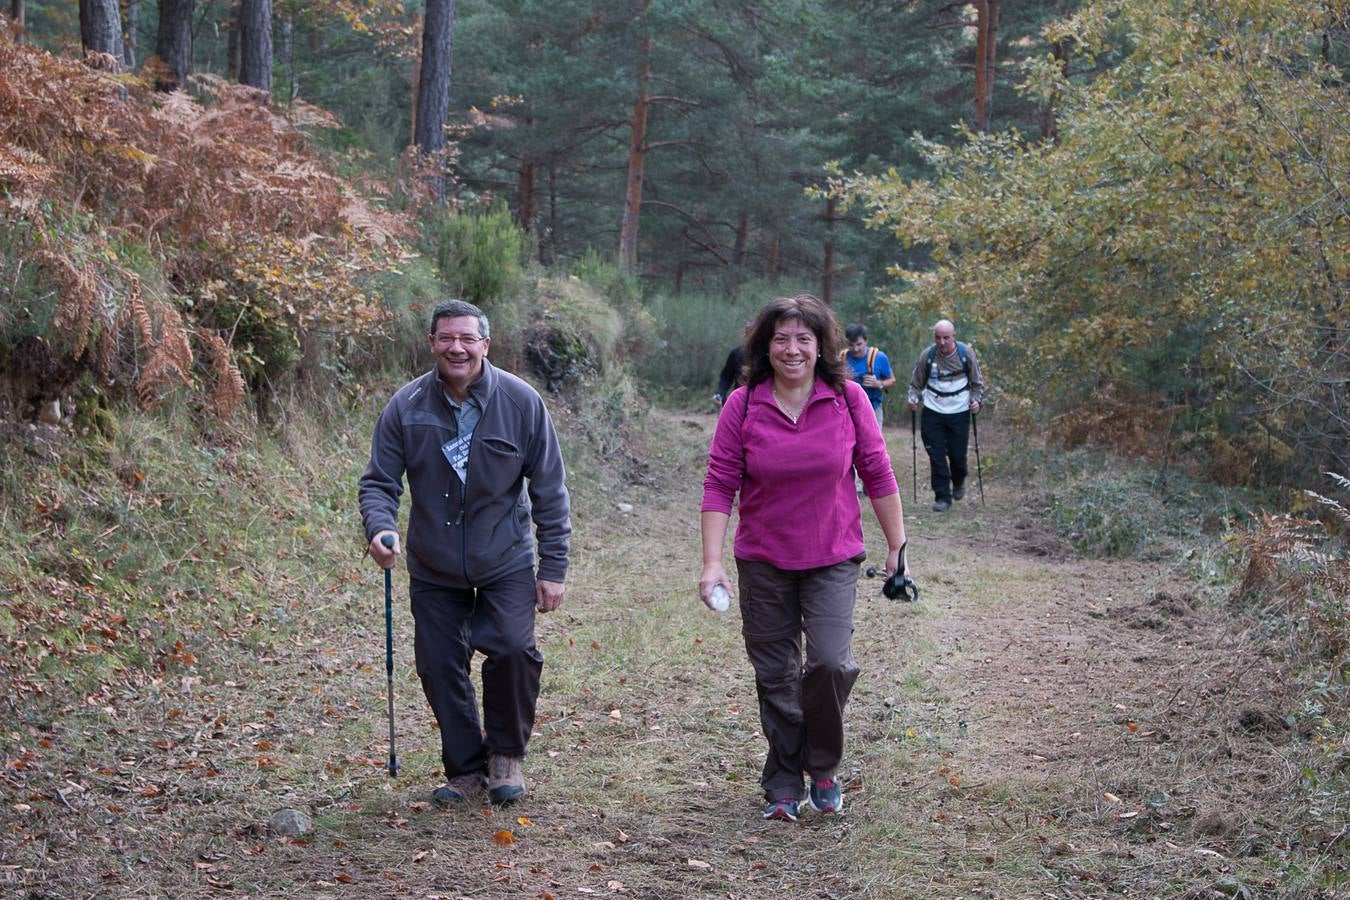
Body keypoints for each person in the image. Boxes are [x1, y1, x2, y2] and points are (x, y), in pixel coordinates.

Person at [699, 293, 909, 822]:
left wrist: (897, 545)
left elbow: (878, 473)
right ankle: (784, 782)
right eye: (781, 339)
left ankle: (823, 767)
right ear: (764, 346)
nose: (792, 349)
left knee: (830, 664)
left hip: (832, 557)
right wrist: (712, 561)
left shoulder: (850, 400)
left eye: (803, 339)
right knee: (776, 675)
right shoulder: (743, 404)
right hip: (764, 561)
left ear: (822, 346)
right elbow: (720, 484)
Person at [359, 298, 571, 807]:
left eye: (467, 338)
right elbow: (379, 483)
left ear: (485, 345)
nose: (457, 347)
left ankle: (505, 757)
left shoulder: (522, 404)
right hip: (433, 563)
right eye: (446, 338)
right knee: (437, 663)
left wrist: (554, 566)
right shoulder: (405, 407)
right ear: (432, 343)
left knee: (514, 651)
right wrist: (380, 529)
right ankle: (464, 768)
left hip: (505, 558)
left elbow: (549, 489)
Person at [906, 318, 985, 512]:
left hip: (959, 411)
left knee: (958, 456)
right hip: (933, 410)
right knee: (936, 455)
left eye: (946, 338)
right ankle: (942, 497)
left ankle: (958, 481)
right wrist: (913, 398)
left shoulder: (966, 354)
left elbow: (977, 383)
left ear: (954, 337)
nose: (941, 342)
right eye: (938, 338)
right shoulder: (928, 355)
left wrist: (976, 401)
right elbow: (916, 384)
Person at [842, 324, 896, 427]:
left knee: (873, 441)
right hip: (847, 408)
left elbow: (892, 380)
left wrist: (879, 384)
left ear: (866, 341)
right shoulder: (841, 358)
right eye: (851, 345)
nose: (855, 349)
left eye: (859, 344)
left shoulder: (879, 357)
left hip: (873, 407)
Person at [713, 343, 745, 409]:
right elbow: (726, 377)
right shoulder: (737, 353)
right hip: (739, 404)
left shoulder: (766, 355)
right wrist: (720, 393)